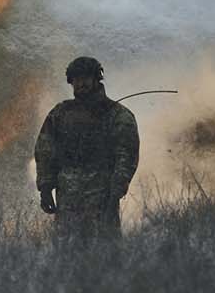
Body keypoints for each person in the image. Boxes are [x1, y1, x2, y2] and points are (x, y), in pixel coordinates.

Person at [34, 56, 140, 240]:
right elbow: (45, 150)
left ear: (95, 79)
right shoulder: (60, 113)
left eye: (85, 78)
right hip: (67, 196)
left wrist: (116, 191)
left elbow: (126, 155)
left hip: (101, 197)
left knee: (104, 251)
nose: (80, 83)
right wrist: (45, 188)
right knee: (66, 252)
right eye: (76, 79)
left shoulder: (117, 115)